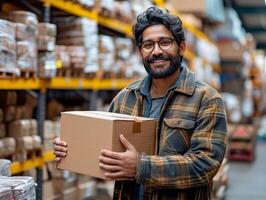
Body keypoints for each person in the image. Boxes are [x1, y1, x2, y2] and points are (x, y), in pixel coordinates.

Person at [53, 7, 227, 200]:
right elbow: (103, 149)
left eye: (165, 42)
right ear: (140, 52)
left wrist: (140, 166)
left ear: (182, 47)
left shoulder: (206, 99)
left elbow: (205, 165)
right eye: (148, 45)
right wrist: (72, 149)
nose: (156, 51)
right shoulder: (126, 98)